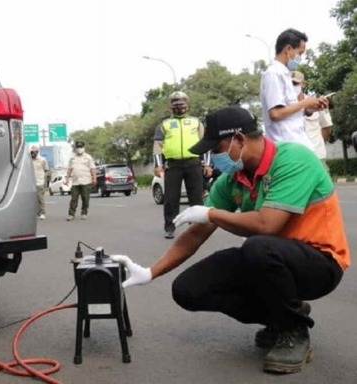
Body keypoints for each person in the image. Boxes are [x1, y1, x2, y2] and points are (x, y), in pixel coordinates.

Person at [123, 106, 349, 374]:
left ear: (239, 140)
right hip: (270, 259)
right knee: (188, 289)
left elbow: (267, 224)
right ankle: (283, 316)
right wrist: (151, 272)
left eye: (217, 149)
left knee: (257, 246)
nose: (215, 158)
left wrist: (212, 213)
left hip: (320, 263)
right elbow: (197, 232)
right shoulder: (232, 179)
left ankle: (293, 331)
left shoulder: (293, 160)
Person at [153, 91, 212, 239]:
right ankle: (170, 227)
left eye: (182, 103)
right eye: (175, 103)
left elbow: (205, 143)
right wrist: (158, 165)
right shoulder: (164, 124)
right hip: (173, 165)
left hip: (193, 163)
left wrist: (207, 164)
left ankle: (197, 226)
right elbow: (157, 145)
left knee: (196, 197)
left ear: (187, 104)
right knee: (171, 198)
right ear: (170, 106)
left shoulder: (196, 122)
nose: (179, 106)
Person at [260, 29, 328, 149]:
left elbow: (291, 111)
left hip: (298, 144)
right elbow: (275, 113)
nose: (300, 58)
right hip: (287, 146)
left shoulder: (286, 75)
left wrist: (311, 108)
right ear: (288, 49)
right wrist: (304, 103)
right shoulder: (273, 74)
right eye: (300, 53)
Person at [65, 141, 96, 221]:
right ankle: (71, 214)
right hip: (75, 181)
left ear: (83, 147)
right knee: (74, 198)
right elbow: (69, 169)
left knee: (85, 198)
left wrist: (94, 178)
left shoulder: (88, 157)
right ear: (76, 148)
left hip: (86, 181)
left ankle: (84, 213)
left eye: (81, 147)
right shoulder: (72, 158)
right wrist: (67, 178)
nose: (79, 149)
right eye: (78, 147)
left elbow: (92, 168)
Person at [31, 145, 49, 220]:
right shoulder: (29, 160)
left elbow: (46, 169)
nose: (32, 154)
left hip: (39, 181)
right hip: (31, 182)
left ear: (37, 152)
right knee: (32, 199)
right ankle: (36, 212)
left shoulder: (42, 160)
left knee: (40, 198)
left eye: (34, 152)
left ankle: (42, 213)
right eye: (31, 152)